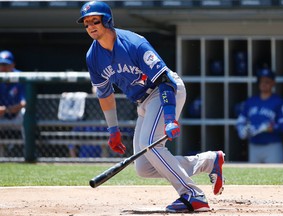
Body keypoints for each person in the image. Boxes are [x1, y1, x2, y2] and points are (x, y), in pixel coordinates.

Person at [76, 1, 225, 213]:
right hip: (143, 101)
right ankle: (208, 161)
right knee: (144, 167)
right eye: (86, 23)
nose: (90, 26)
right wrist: (113, 130)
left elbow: (164, 81)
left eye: (95, 21)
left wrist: (171, 118)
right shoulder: (93, 57)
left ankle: (192, 195)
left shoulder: (134, 43)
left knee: (151, 144)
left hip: (165, 91)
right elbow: (105, 94)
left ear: (107, 21)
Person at [236, 68, 283, 163]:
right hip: (254, 145)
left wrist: (270, 128)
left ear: (273, 83)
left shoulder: (280, 102)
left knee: (274, 175)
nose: (264, 84)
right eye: (261, 81)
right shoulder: (251, 101)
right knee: (254, 175)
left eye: (267, 81)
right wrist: (241, 130)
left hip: (272, 146)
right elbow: (241, 120)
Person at [0, 50, 26, 156]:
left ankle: (28, 153)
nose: (3, 68)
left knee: (26, 113)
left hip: (17, 115)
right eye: (1, 64)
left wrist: (8, 109)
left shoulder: (20, 76)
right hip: (1, 116)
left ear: (13, 65)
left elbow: (25, 102)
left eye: (6, 64)